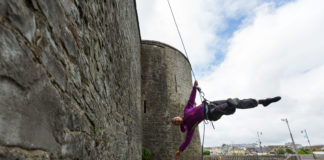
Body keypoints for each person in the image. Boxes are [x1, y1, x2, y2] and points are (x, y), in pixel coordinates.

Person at [172, 80, 281, 159]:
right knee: (227, 105)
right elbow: (187, 141)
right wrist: (179, 150)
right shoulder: (190, 127)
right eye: (175, 123)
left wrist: (194, 87)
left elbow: (191, 100)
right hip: (211, 114)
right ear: (178, 124)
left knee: (238, 103)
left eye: (175, 119)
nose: (176, 120)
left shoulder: (186, 110)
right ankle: (230, 106)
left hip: (211, 104)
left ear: (177, 116)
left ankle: (261, 102)